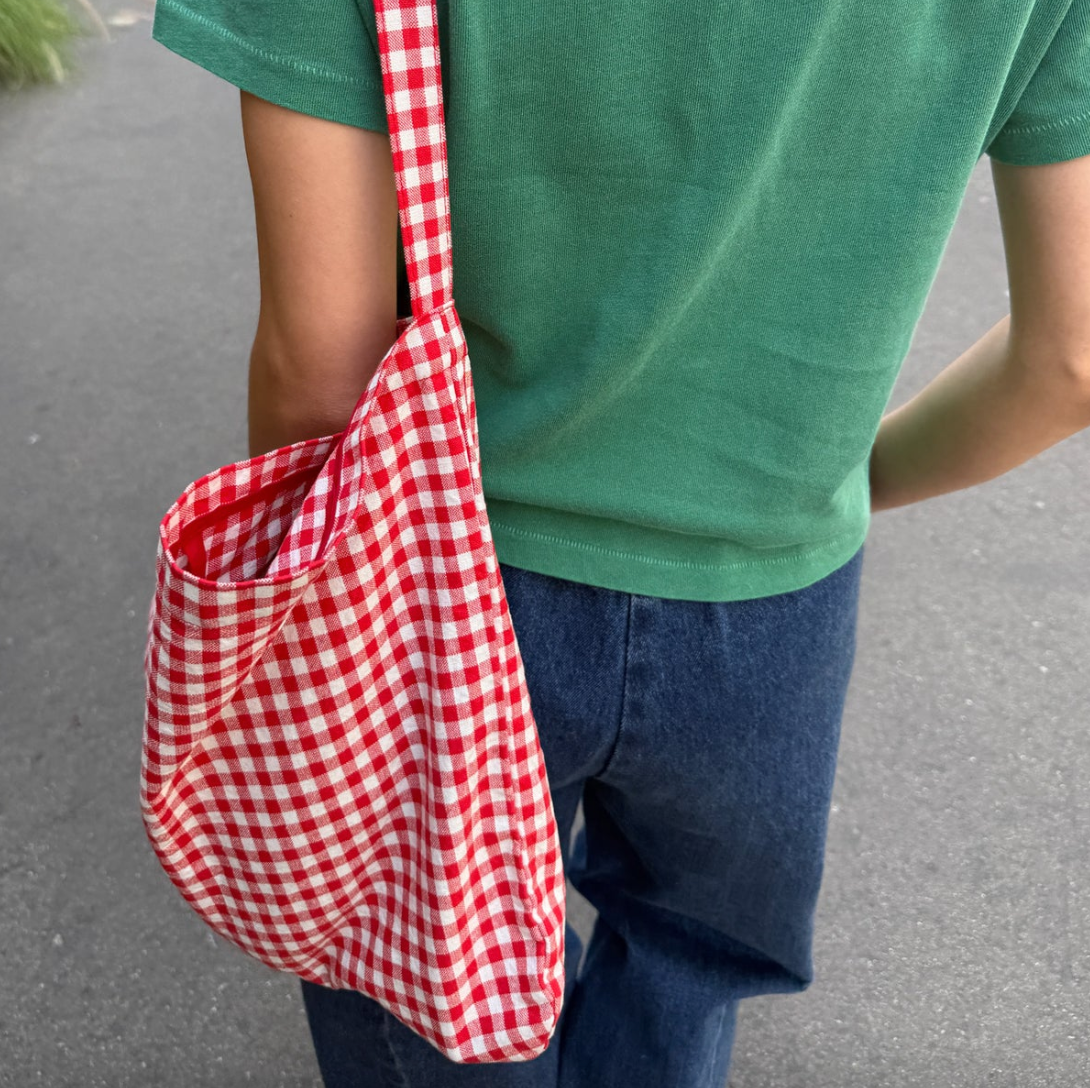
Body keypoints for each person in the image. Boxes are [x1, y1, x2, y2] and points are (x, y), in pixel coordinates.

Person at [149, 1, 1090, 1084]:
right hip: (778, 594)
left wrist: (305, 633)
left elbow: (320, 366)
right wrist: (840, 480)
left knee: (424, 975)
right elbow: (1067, 357)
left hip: (444, 566)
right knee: (686, 962)